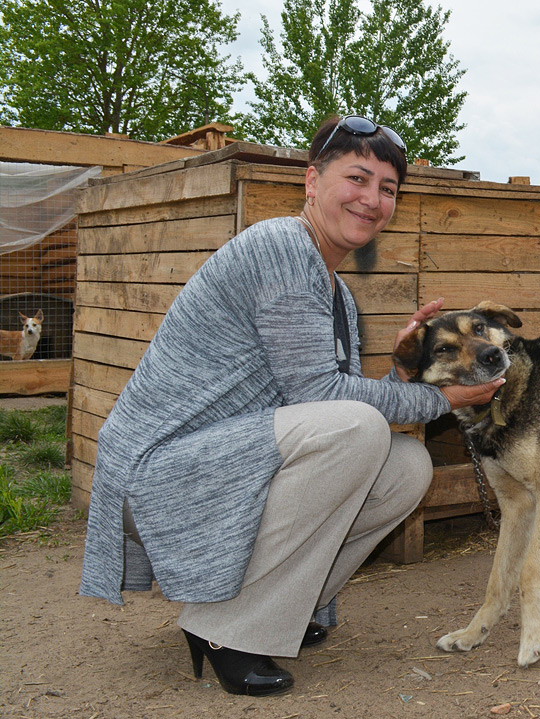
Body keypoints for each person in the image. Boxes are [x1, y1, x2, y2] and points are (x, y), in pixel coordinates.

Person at [79, 115, 503, 696]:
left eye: (388, 189)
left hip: (227, 464)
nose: (372, 199)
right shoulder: (282, 248)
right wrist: (440, 396)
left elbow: (333, 407)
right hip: (159, 473)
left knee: (405, 467)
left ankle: (282, 609)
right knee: (355, 431)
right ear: (311, 181)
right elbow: (328, 406)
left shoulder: (337, 293)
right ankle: (226, 629)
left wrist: (403, 369)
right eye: (358, 178)